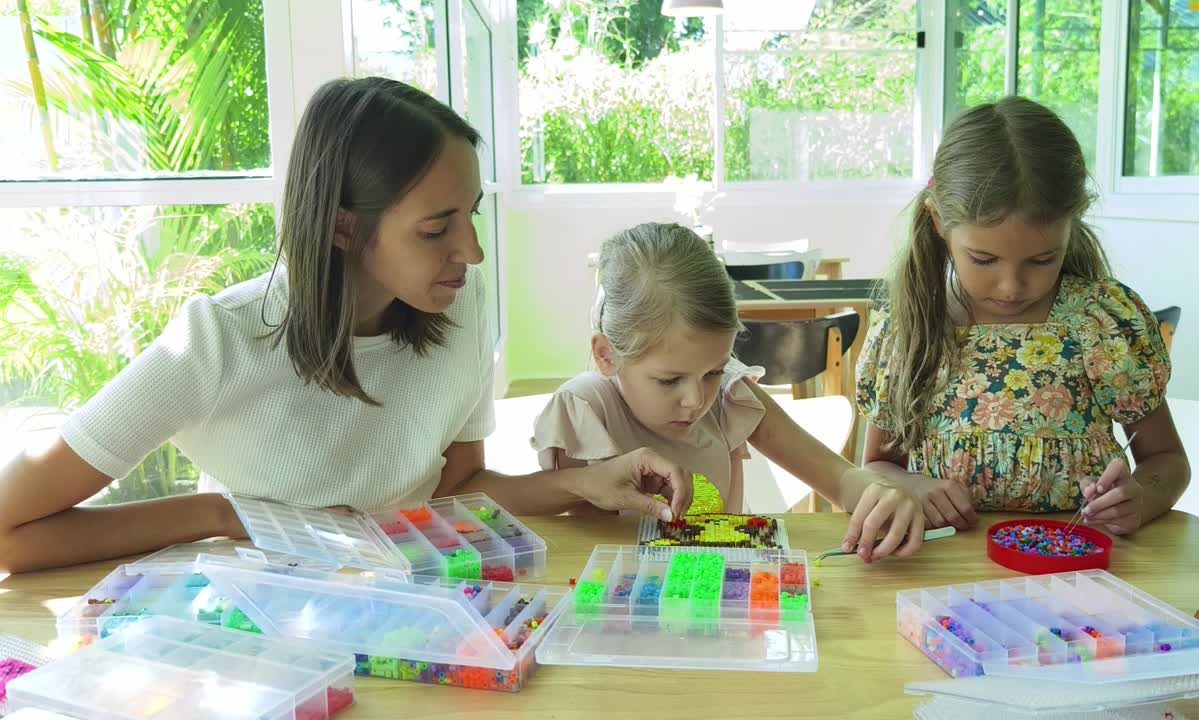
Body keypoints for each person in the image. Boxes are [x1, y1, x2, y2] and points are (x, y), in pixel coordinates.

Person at [0, 78, 693, 574]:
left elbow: (456, 489)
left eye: (471, 213)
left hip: (413, 600)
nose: (473, 252)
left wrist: (587, 481)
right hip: (273, 626)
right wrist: (218, 516)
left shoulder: (463, 300)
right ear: (342, 225)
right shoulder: (216, 341)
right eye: (436, 228)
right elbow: (9, 530)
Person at [856, 96, 1189, 536]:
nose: (1011, 286)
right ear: (939, 221)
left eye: (1041, 260)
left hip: (1081, 571)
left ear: (1072, 224)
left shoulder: (1098, 324)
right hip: (946, 570)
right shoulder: (913, 329)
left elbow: (1167, 461)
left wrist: (1140, 497)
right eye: (983, 259)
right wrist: (911, 487)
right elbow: (878, 466)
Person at [533, 222, 925, 561]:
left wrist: (881, 494)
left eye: (714, 371)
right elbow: (575, 546)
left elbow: (840, 479)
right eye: (669, 380)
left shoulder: (728, 394)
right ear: (606, 355)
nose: (696, 399)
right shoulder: (584, 410)